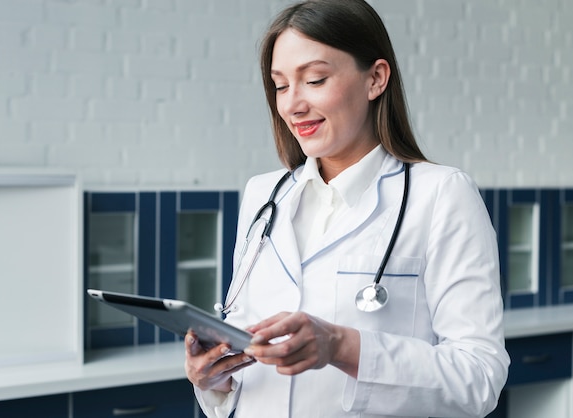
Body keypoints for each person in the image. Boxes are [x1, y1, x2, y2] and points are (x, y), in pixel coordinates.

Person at [184, 0, 510, 416]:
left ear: (375, 78)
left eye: (315, 80)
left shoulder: (442, 195)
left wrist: (342, 346)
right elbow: (247, 374)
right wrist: (215, 378)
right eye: (281, 85)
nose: (292, 105)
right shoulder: (262, 196)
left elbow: (479, 378)